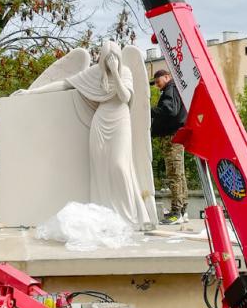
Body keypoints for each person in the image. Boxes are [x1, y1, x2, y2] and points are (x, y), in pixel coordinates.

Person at [13, 40, 151, 227]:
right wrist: (32, 92)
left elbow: (125, 97)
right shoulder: (95, 73)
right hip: (100, 122)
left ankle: (129, 218)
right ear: (102, 59)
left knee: (120, 167)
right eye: (107, 59)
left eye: (114, 58)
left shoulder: (125, 72)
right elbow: (65, 84)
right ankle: (105, 217)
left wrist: (116, 72)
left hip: (120, 120)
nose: (111, 61)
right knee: (100, 170)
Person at [151, 69, 188, 225]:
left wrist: (149, 111)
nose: (157, 85)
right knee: (179, 175)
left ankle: (176, 213)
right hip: (176, 137)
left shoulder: (170, 89)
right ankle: (183, 211)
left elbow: (169, 110)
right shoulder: (173, 89)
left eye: (158, 81)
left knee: (174, 175)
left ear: (167, 77)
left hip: (172, 138)